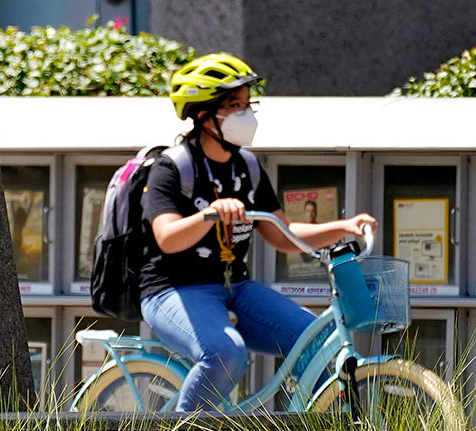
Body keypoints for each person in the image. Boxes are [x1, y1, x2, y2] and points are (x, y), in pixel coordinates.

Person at [140, 53, 377, 411]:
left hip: (235, 286)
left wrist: (343, 226)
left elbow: (283, 234)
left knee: (316, 340)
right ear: (204, 115)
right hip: (172, 290)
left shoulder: (247, 167)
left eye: (248, 104)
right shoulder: (173, 168)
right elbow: (167, 238)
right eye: (234, 105)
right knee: (224, 353)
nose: (245, 114)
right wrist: (209, 215)